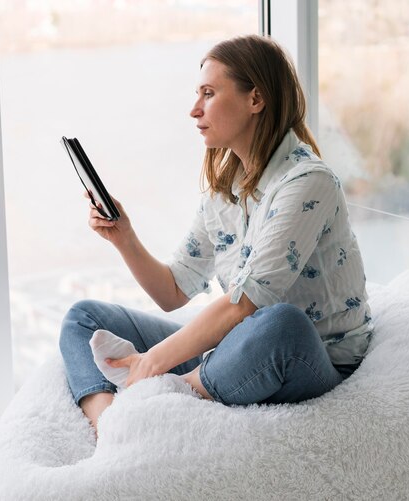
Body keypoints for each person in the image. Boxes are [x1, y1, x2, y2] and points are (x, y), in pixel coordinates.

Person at [59, 34, 374, 439]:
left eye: (208, 94)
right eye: (197, 94)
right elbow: (172, 292)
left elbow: (243, 308)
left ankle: (171, 392)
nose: (194, 110)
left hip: (312, 359)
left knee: (281, 324)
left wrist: (150, 363)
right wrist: (125, 237)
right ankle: (112, 428)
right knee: (82, 318)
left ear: (255, 99)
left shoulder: (308, 182)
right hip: (236, 347)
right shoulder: (225, 190)